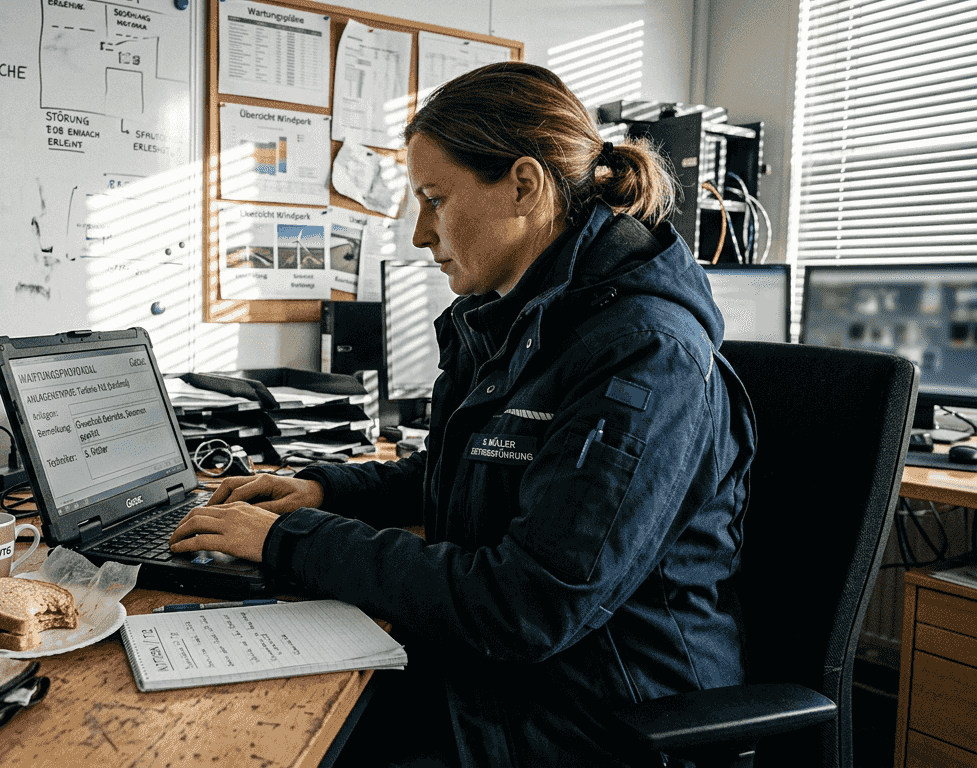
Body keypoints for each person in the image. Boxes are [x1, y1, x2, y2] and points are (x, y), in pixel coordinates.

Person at [170, 61, 755, 767]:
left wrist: (289, 542)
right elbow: (469, 470)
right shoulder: (520, 319)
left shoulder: (643, 355)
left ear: (524, 186)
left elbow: (528, 605)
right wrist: (326, 489)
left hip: (602, 712)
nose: (420, 234)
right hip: (511, 678)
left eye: (435, 199)